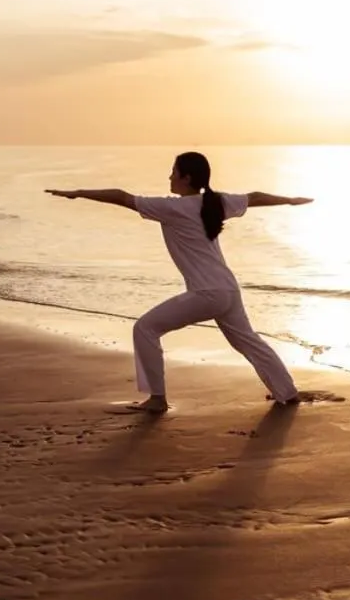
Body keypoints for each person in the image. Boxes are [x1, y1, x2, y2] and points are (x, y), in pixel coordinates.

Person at [46, 151, 313, 413]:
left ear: (186, 177)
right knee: (249, 342)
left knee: (145, 329)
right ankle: (287, 393)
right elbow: (254, 197)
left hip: (207, 293)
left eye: (174, 171)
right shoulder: (216, 202)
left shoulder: (172, 207)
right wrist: (290, 200)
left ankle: (157, 399)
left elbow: (121, 196)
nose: (170, 176)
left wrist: (78, 192)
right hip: (228, 290)